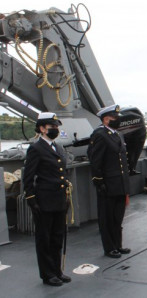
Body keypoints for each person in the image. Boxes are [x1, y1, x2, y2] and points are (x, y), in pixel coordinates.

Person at [23, 112, 71, 286]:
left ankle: (57, 271)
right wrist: (31, 198)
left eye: (57, 127)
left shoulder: (57, 147)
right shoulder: (36, 149)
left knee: (58, 237)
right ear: (42, 129)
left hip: (58, 199)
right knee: (44, 239)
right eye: (52, 127)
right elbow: (28, 176)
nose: (55, 129)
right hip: (44, 200)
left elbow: (61, 172)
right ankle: (47, 274)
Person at [87, 104, 131, 258]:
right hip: (108, 184)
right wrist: (99, 182)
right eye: (115, 117)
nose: (118, 120)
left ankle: (118, 245)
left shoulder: (117, 134)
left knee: (118, 217)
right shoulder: (99, 134)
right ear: (106, 119)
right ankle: (109, 247)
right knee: (107, 218)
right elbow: (96, 161)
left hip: (120, 183)